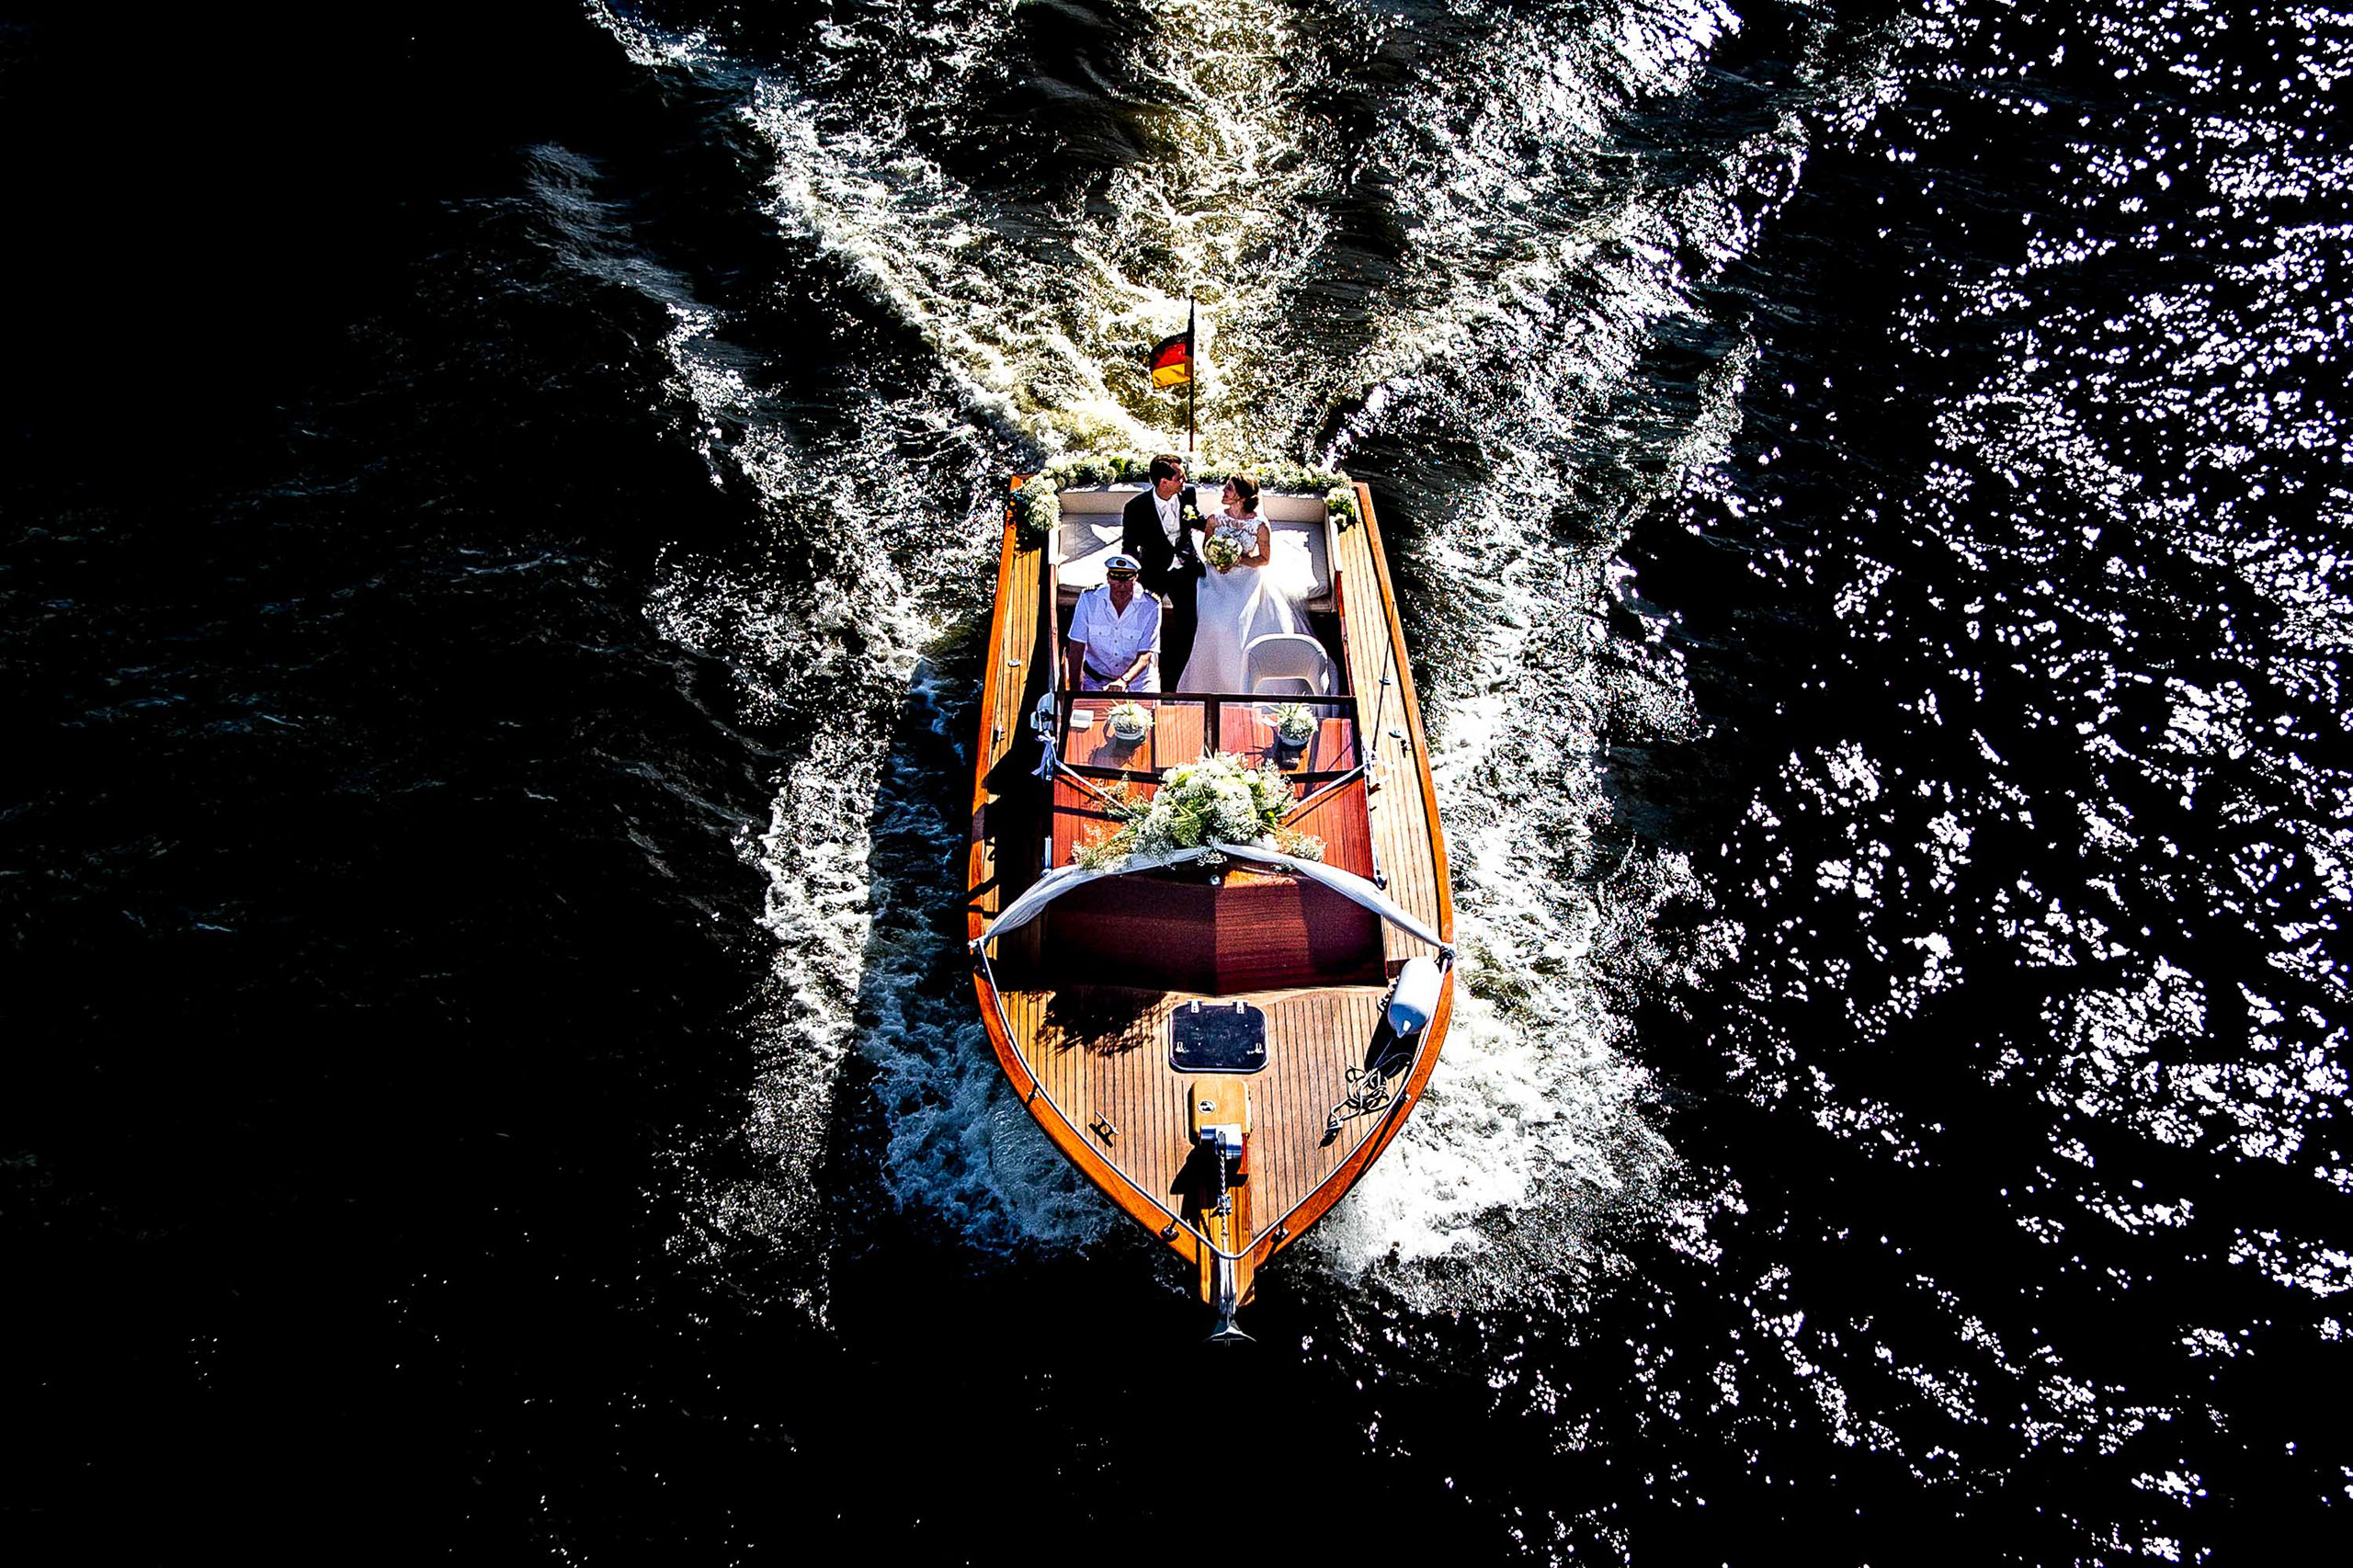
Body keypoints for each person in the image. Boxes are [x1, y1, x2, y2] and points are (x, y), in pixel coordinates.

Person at [1176, 472, 1313, 693]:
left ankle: (1243, 686)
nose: (1223, 491)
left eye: (1229, 488)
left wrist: (1238, 559)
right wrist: (1219, 560)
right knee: (1212, 621)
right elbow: (1206, 548)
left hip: (1248, 579)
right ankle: (1211, 686)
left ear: (1241, 496)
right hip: (1216, 577)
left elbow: (1264, 559)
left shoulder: (1259, 525)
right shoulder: (1215, 518)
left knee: (1239, 627)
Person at [1120, 453, 1203, 682]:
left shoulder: (1188, 493)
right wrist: (1128, 579)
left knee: (1188, 625)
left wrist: (1221, 528)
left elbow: (1196, 519)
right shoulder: (1136, 508)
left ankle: (1178, 675)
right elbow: (1129, 546)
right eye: (1180, 478)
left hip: (1185, 568)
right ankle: (1139, 671)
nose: (1184, 481)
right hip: (1154, 571)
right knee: (1143, 622)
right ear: (1163, 483)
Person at [1065, 552, 1163, 691]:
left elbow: (1146, 654)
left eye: (1126, 579)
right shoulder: (1089, 599)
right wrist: (1074, 693)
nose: (1121, 585)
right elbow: (1076, 647)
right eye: (1116, 579)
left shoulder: (1151, 605)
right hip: (1096, 682)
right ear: (1108, 578)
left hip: (1138, 683)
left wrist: (1123, 681)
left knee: (1148, 713)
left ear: (1135, 578)